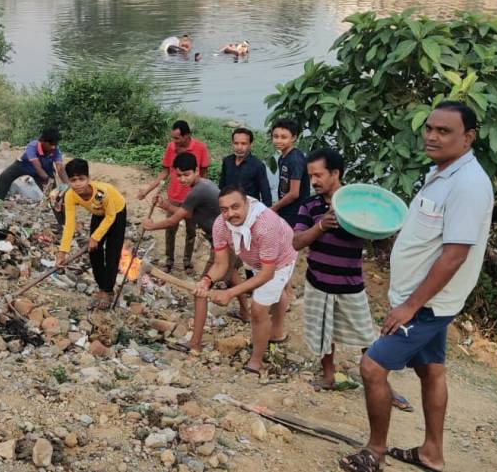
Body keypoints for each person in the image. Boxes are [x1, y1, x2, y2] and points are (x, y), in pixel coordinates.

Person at [339, 101, 493, 472]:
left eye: (444, 131)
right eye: (429, 128)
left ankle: (374, 452)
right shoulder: (442, 172)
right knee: (431, 370)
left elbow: (454, 256)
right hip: (423, 299)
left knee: (372, 367)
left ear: (468, 137)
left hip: (426, 304)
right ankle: (431, 453)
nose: (432, 136)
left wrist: (410, 306)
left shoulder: (469, 185)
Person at [292, 148, 413, 411]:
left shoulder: (357, 206)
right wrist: (320, 226)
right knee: (324, 333)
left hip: (350, 285)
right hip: (317, 282)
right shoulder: (309, 206)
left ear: (335, 173)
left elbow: (381, 232)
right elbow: (296, 241)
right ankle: (328, 376)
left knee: (367, 338)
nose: (314, 181)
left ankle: (383, 387)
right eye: (310, 176)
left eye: (319, 175)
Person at [142, 153, 251, 328]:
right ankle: (245, 313)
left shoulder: (198, 191)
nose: (182, 179)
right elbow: (188, 214)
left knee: (201, 288)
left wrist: (151, 226)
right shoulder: (201, 187)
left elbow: (173, 221)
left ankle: (196, 334)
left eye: (186, 174)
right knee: (232, 275)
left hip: (225, 243)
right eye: (179, 175)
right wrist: (165, 205)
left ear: (197, 171)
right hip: (231, 239)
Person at [196, 186, 296, 373]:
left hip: (280, 261)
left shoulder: (266, 225)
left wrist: (230, 293)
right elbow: (221, 264)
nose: (230, 214)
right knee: (274, 293)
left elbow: (267, 274)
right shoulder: (220, 225)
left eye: (235, 207)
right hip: (256, 259)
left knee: (257, 309)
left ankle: (256, 362)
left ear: (247, 203)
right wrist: (207, 280)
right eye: (224, 209)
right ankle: (277, 333)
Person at [138, 120, 210, 275]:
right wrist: (147, 190)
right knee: (170, 229)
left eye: (177, 138)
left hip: (192, 198)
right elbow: (164, 172)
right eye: (173, 138)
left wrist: (200, 194)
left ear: (187, 135)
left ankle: (187, 261)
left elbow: (204, 173)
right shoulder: (171, 147)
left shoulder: (200, 148)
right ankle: (169, 260)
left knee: (191, 231)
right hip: (174, 196)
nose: (174, 141)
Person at [56, 159, 128, 310]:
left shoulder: (100, 193)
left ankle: (108, 291)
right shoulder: (70, 195)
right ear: (69, 181)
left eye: (81, 179)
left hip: (116, 212)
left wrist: (95, 237)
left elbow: (110, 216)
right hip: (98, 213)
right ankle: (102, 286)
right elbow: (69, 225)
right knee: (94, 250)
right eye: (73, 180)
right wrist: (62, 253)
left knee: (112, 252)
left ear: (88, 178)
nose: (78, 184)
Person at [0, 129, 67, 201]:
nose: (53, 147)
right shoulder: (32, 146)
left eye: (55, 144)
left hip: (45, 168)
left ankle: (58, 207)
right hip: (24, 165)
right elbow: (37, 167)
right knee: (5, 176)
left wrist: (67, 184)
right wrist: (48, 180)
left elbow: (60, 168)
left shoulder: (55, 150)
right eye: (51, 144)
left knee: (53, 193)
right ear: (42, 141)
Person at [269, 118, 309, 227]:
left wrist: (275, 207)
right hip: (286, 209)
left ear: (294, 138)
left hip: (297, 211)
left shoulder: (295, 160)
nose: (278, 141)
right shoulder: (282, 158)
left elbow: (294, 194)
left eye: (284, 137)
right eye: (275, 136)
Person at [219, 128, 272, 206]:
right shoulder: (227, 161)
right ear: (232, 144)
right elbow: (222, 186)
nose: (239, 147)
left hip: (249, 208)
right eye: (236, 143)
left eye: (243, 144)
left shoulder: (258, 165)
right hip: (229, 206)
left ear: (250, 145)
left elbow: (266, 195)